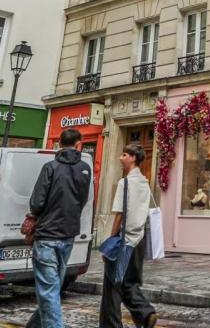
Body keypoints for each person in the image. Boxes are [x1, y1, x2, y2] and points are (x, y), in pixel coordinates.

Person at [27, 127, 91, 328]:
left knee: (49, 289)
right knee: (52, 288)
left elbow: (37, 202)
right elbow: (82, 200)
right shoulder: (85, 169)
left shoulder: (50, 167)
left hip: (47, 234)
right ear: (78, 144)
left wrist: (35, 216)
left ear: (59, 144)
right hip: (68, 234)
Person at [100, 144, 157, 328]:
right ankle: (145, 314)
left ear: (133, 158)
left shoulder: (125, 183)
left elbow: (119, 214)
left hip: (124, 240)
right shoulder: (144, 182)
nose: (120, 158)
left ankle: (112, 324)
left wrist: (110, 239)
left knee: (112, 286)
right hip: (139, 239)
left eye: (124, 154)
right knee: (129, 282)